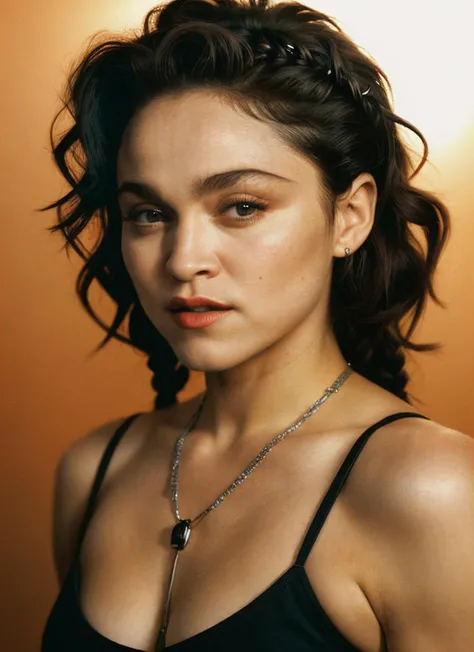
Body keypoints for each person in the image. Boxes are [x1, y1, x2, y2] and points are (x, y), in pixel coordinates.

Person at [40, 0, 474, 650]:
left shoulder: (432, 491)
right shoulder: (95, 470)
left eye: (241, 206)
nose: (184, 260)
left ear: (349, 216)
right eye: (149, 214)